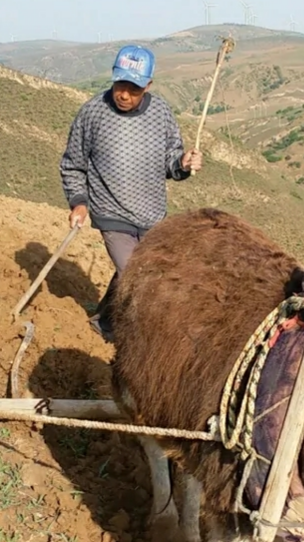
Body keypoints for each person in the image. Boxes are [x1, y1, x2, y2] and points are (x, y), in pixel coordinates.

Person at [60, 44, 202, 339]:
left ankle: (104, 325)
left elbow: (171, 162)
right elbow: (73, 164)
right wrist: (79, 202)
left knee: (138, 271)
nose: (124, 94)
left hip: (152, 217)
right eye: (120, 84)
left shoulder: (161, 113)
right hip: (112, 215)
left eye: (134, 88)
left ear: (148, 85)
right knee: (139, 278)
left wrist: (184, 164)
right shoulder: (92, 113)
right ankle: (142, 340)